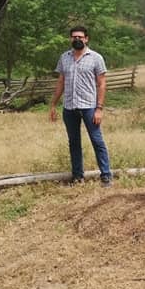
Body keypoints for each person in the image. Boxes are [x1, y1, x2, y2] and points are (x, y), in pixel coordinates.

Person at [49, 26, 112, 187]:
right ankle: (78, 176)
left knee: (97, 140)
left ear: (86, 39)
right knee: (74, 142)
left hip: (89, 107)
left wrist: (99, 108)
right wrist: (53, 104)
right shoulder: (64, 57)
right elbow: (61, 81)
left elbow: (102, 84)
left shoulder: (96, 58)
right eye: (74, 37)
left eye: (80, 37)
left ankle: (106, 175)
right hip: (69, 107)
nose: (77, 39)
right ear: (70, 38)